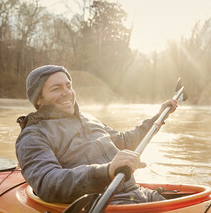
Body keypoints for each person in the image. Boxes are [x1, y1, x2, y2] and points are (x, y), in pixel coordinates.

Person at [16, 65, 178, 205]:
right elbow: (47, 183)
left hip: (137, 194)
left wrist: (157, 118)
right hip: (99, 204)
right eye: (56, 88)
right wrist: (106, 171)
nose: (67, 93)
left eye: (68, 86)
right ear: (38, 99)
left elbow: (125, 141)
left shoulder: (89, 119)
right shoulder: (33, 135)